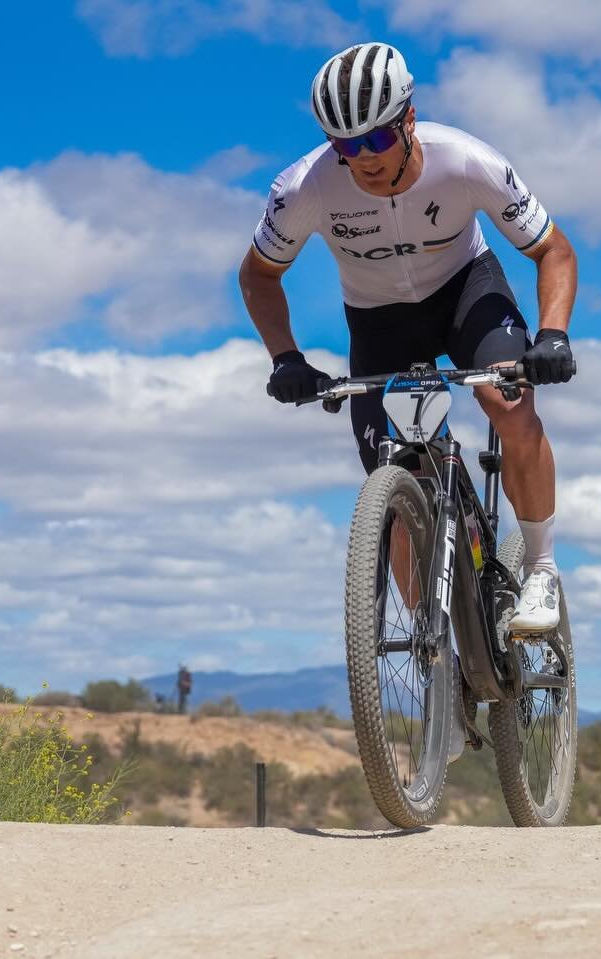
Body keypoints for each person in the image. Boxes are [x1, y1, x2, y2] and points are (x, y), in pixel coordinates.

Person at [239, 42, 579, 632]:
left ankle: (542, 569)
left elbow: (553, 250)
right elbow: (259, 275)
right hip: (380, 320)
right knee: (393, 473)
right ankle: (434, 641)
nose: (363, 158)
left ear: (409, 119)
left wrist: (552, 335)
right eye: (346, 145)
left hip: (466, 294)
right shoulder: (304, 188)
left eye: (376, 139)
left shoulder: (466, 161)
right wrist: (285, 358)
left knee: (508, 403)